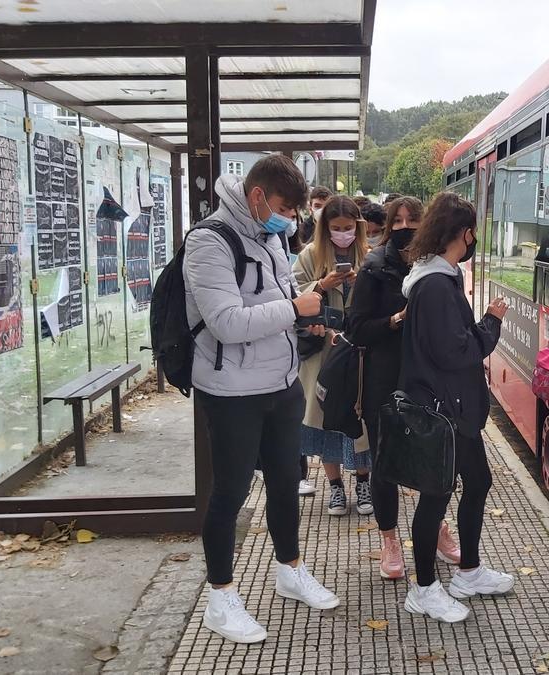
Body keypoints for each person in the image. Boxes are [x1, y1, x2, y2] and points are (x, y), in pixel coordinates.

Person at [184, 155, 339, 644]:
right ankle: (221, 597)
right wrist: (294, 307)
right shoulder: (208, 242)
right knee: (229, 492)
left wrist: (304, 315)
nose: (290, 220)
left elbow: (278, 298)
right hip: (231, 391)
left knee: (285, 483)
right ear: (257, 197)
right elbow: (226, 322)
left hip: (281, 382)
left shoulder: (269, 237)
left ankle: (289, 570)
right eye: (286, 208)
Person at [399, 192, 515, 623]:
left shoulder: (434, 278)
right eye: (473, 234)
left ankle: (467, 570)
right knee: (436, 497)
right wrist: (491, 322)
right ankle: (424, 588)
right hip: (442, 409)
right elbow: (456, 351)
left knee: (478, 480)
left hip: (453, 407)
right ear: (464, 234)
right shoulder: (435, 286)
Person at [347, 196, 463, 581]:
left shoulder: (441, 267)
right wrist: (397, 319)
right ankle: (390, 539)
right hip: (386, 379)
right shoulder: (374, 268)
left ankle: (437, 529)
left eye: (413, 219)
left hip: (427, 381)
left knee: (432, 458)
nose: (404, 227)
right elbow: (356, 329)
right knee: (385, 465)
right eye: (396, 220)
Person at [293, 195, 371, 516]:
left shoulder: (367, 256)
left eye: (348, 228)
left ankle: (364, 483)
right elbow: (293, 296)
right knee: (325, 416)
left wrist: (361, 282)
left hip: (360, 352)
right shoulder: (309, 255)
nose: (343, 234)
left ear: (358, 227)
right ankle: (335, 487)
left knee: (360, 417)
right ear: (325, 228)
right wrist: (321, 285)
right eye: (336, 228)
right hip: (322, 351)